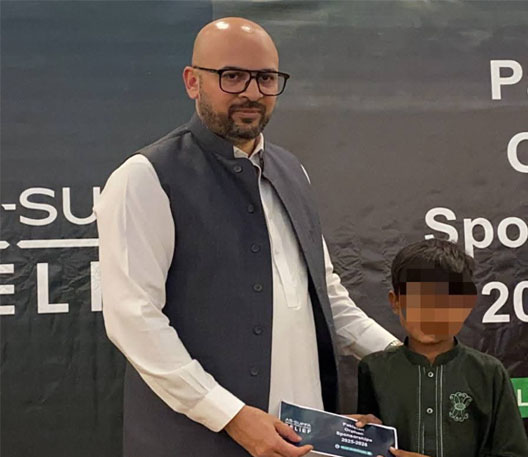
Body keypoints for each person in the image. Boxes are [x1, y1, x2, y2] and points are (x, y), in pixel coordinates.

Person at [95, 17, 398, 457]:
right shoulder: (145, 178)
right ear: (192, 82)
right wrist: (232, 416)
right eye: (232, 76)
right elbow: (134, 321)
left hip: (304, 442)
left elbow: (327, 297)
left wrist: (409, 361)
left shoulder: (293, 171)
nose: (251, 92)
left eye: (265, 78)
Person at [357, 239, 528, 457]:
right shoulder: (373, 369)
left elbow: (514, 453)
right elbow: (364, 446)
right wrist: (359, 433)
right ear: (396, 302)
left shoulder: (489, 372)